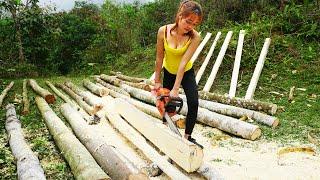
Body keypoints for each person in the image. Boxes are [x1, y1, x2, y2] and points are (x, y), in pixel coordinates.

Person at [153, 0, 203, 147]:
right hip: (168, 71)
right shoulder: (163, 31)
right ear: (180, 16)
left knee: (193, 102)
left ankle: (187, 137)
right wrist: (157, 80)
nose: (190, 27)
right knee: (167, 103)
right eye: (188, 22)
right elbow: (159, 57)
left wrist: (176, 88)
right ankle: (167, 131)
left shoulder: (195, 37)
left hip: (186, 72)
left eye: (194, 24)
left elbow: (183, 63)